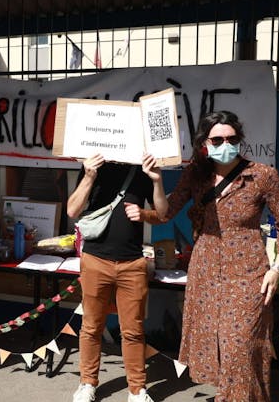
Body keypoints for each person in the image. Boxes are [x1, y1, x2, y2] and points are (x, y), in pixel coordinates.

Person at [144, 111, 279, 401]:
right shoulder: (196, 173)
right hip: (205, 270)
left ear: (239, 140)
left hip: (249, 272)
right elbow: (164, 214)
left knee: (240, 346)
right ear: (205, 143)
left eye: (231, 139)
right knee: (217, 348)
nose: (225, 144)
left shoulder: (262, 175)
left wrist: (277, 269)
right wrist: (156, 181)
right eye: (217, 139)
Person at [67, 153, 167, 402]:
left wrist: (156, 183)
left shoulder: (142, 168)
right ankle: (87, 383)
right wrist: (89, 175)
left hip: (132, 262)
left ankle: (137, 389)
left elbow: (162, 213)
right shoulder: (94, 165)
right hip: (95, 259)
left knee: (133, 331)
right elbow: (72, 210)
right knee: (91, 327)